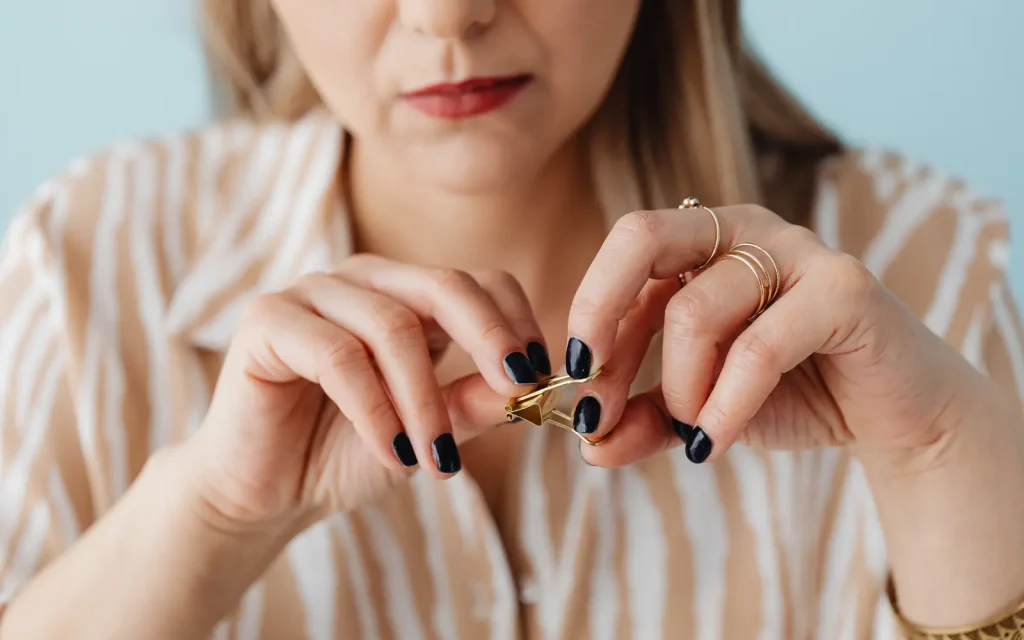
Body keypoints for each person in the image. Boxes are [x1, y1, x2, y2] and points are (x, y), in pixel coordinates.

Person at [1, 0, 1022, 638]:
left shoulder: (924, 264)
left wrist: (938, 459)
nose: (448, 14)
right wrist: (210, 520)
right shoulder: (87, 262)